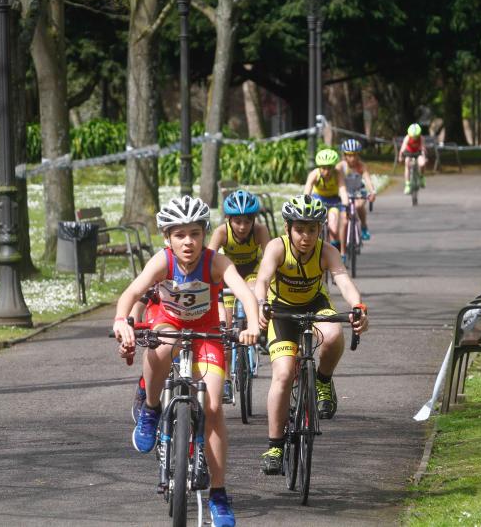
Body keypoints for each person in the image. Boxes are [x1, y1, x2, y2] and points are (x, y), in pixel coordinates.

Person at [113, 195, 260, 527]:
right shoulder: (162, 261)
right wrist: (122, 320)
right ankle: (151, 409)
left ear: (204, 234)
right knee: (161, 345)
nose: (188, 242)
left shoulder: (216, 262)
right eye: (179, 234)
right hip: (171, 324)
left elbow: (244, 292)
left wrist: (251, 325)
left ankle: (219, 497)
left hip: (208, 333)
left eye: (194, 233)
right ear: (168, 238)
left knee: (212, 407)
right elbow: (132, 292)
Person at [253, 194, 369, 475]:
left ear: (320, 229)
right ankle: (276, 445)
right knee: (282, 375)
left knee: (332, 334)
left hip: (315, 306)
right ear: (288, 228)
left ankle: (323, 381)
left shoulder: (326, 251)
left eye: (312, 229)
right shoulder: (276, 248)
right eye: (300, 229)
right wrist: (259, 304)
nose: (306, 236)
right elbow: (263, 279)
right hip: (281, 312)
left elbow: (344, 282)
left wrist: (358, 307)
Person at [208, 189, 271, 400]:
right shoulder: (221, 232)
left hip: (252, 272)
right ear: (228, 219)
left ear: (254, 219)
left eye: (247, 221)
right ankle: (226, 380)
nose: (243, 227)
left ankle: (262, 332)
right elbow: (208, 261)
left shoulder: (259, 231)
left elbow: (270, 260)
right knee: (224, 328)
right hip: (229, 276)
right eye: (237, 221)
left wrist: (266, 285)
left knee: (256, 293)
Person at [304, 148, 350, 261]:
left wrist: (346, 204)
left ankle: (335, 255)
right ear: (319, 167)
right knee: (313, 226)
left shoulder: (337, 174)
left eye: (329, 167)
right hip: (318, 200)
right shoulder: (314, 174)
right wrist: (306, 203)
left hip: (333, 201)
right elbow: (307, 191)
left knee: (333, 229)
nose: (327, 171)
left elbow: (343, 190)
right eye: (323, 168)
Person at [338, 139, 376, 240]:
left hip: (359, 190)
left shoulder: (361, 166)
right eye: (349, 155)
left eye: (355, 155)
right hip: (345, 191)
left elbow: (367, 180)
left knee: (359, 205)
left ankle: (363, 226)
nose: (352, 158)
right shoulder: (341, 166)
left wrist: (372, 192)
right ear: (345, 155)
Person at [398, 123, 427, 194]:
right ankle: (407, 184)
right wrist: (400, 156)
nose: (415, 138)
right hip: (409, 153)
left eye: (416, 136)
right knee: (407, 163)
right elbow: (403, 148)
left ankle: (421, 177)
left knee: (422, 163)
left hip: (418, 152)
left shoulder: (421, 138)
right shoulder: (407, 137)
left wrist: (424, 156)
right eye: (413, 136)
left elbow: (423, 148)